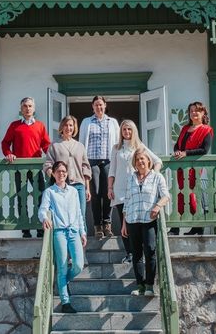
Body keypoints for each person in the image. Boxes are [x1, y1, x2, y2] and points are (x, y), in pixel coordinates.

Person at [108, 120, 162, 263]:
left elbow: (157, 161)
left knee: (136, 223)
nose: (127, 132)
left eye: (129, 129)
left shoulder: (139, 146)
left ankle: (140, 253)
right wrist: (110, 187)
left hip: (136, 190)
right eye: (124, 129)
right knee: (124, 223)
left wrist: (151, 176)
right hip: (119, 189)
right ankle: (129, 253)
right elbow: (112, 170)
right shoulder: (116, 148)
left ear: (134, 131)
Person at [38, 161, 87, 313]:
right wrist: (44, 218)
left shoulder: (73, 191)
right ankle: (65, 302)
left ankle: (63, 282)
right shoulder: (50, 192)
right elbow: (42, 210)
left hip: (73, 231)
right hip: (59, 232)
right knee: (62, 266)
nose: (61, 174)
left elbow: (79, 212)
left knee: (79, 264)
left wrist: (82, 231)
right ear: (53, 173)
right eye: (58, 171)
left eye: (64, 171)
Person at [121, 148, 170, 297]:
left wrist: (157, 206)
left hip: (149, 219)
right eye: (137, 160)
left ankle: (149, 285)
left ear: (149, 160)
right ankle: (140, 285)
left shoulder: (157, 177)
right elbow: (127, 201)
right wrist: (124, 223)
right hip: (132, 219)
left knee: (150, 250)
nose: (140, 162)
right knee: (136, 254)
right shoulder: (131, 178)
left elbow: (166, 196)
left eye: (143, 159)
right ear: (134, 163)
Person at [1, 97, 51, 238]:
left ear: (34, 109)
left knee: (40, 196)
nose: (28, 108)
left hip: (36, 169)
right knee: (21, 198)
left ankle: (40, 227)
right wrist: (9, 154)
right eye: (25, 106)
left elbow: (46, 145)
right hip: (20, 169)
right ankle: (25, 229)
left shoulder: (40, 126)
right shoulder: (15, 126)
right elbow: (5, 143)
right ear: (21, 109)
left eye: (30, 106)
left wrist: (53, 155)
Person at [170, 101, 214, 236]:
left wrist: (186, 153)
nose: (194, 113)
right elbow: (177, 145)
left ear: (203, 113)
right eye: (191, 111)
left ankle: (188, 226)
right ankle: (192, 226)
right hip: (181, 167)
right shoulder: (184, 129)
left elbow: (204, 150)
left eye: (197, 110)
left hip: (193, 168)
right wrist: (178, 151)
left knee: (190, 194)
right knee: (180, 194)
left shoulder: (207, 130)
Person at [79, 96, 120, 239]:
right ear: (93, 106)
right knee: (95, 193)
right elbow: (81, 142)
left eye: (101, 105)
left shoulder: (112, 122)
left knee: (107, 193)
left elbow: (117, 143)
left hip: (108, 161)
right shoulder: (86, 122)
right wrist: (82, 162)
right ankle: (97, 226)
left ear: (105, 105)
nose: (99, 107)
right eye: (96, 105)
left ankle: (107, 224)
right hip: (92, 161)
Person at [43, 115, 92, 222]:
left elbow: (86, 167)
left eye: (71, 125)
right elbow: (48, 164)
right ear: (61, 127)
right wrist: (56, 177)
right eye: (66, 125)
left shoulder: (80, 146)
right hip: (62, 187)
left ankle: (81, 238)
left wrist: (87, 188)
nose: (68, 128)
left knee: (81, 217)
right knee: (64, 216)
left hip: (79, 185)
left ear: (74, 128)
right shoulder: (55, 145)